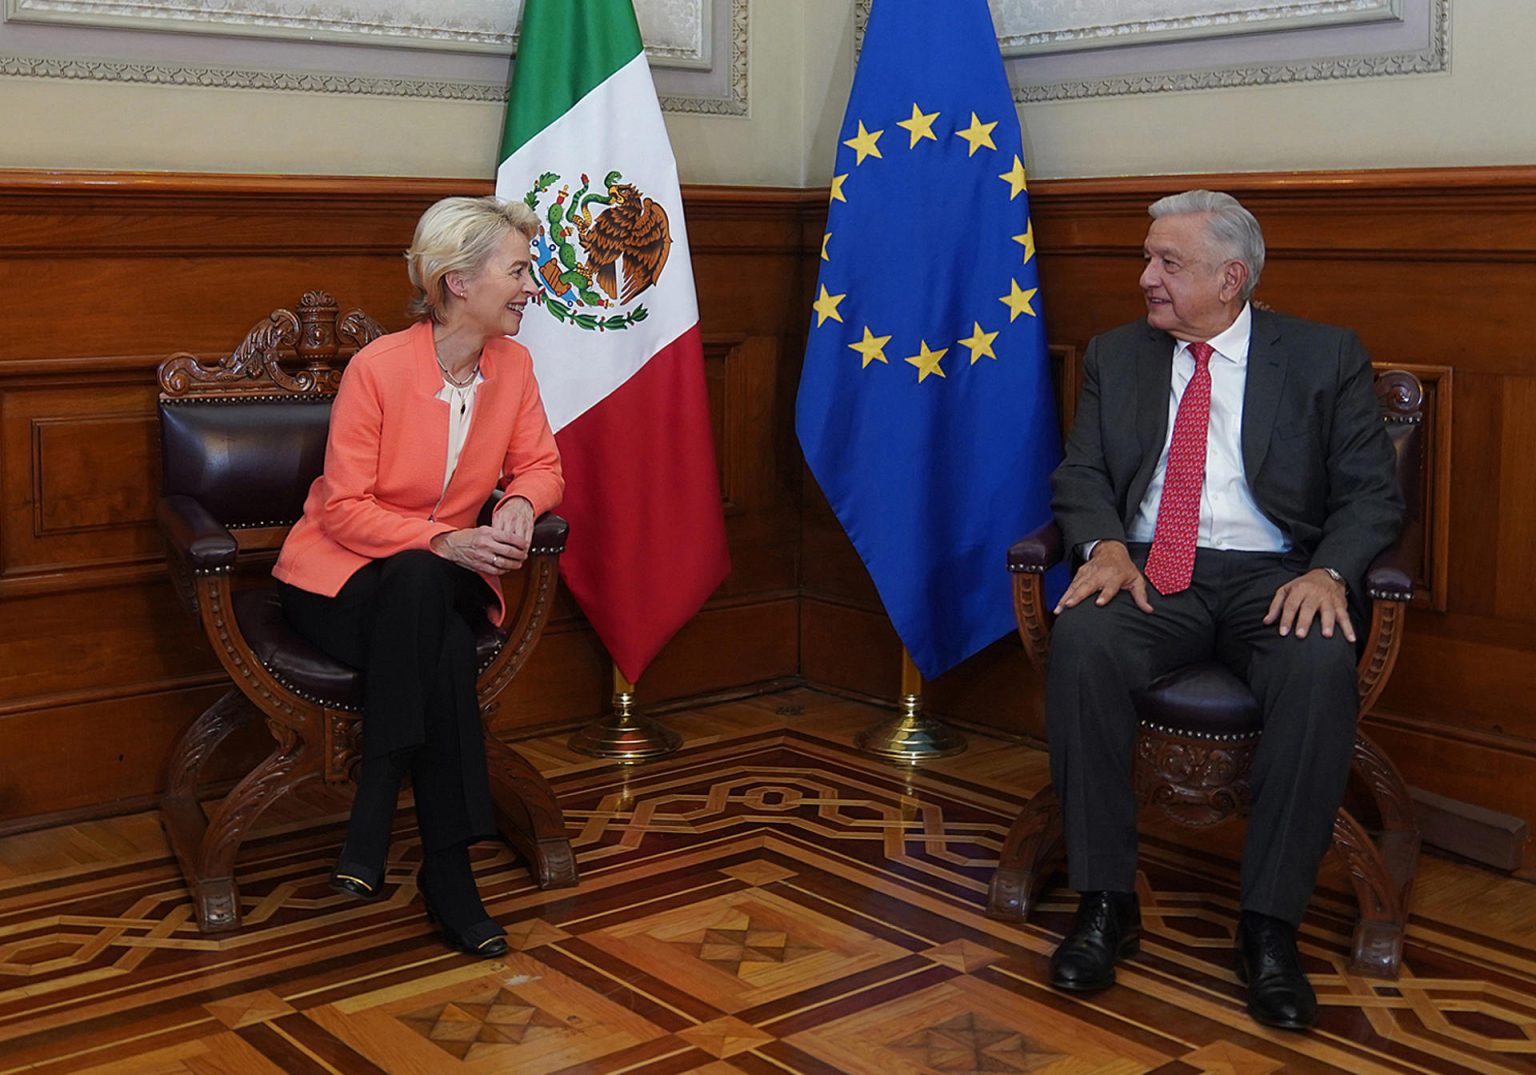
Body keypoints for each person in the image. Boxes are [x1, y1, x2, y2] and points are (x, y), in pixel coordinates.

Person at [1044, 190, 1402, 1030]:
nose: (1146, 279)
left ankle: (1269, 928)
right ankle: (1104, 904)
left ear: (1231, 278)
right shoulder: (1116, 355)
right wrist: (1102, 548)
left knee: (1317, 665)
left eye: (1169, 263)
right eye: (1147, 258)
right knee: (1086, 638)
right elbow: (1082, 475)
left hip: (1274, 572)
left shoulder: (1323, 357)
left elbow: (1371, 498)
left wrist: (1330, 573)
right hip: (1149, 570)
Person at [272, 196, 563, 958]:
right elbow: (343, 509)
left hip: (430, 581)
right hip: (337, 584)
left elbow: (539, 464)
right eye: (519, 270)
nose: (533, 286)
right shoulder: (378, 368)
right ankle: (449, 875)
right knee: (424, 602)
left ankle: (376, 804)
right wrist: (448, 540)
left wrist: (521, 506)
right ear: (458, 280)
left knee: (422, 585)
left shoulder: (515, 365)